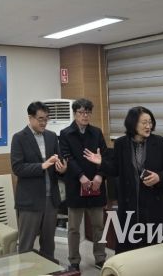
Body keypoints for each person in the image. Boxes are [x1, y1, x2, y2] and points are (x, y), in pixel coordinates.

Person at [84, 106, 163, 253]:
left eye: (150, 122)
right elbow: (115, 170)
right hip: (130, 204)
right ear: (133, 123)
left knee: (155, 249)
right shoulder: (121, 143)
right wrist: (102, 162)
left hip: (155, 204)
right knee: (130, 249)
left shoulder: (158, 142)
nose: (148, 126)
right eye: (144, 122)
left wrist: (159, 177)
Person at [10, 101, 67, 260]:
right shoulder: (19, 138)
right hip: (30, 199)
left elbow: (58, 161)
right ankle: (25, 270)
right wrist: (42, 166)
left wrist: (62, 169)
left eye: (46, 119)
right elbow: (17, 168)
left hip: (51, 198)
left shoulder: (51, 136)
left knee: (48, 243)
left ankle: (49, 269)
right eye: (40, 119)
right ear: (30, 118)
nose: (44, 122)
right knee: (26, 244)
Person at [59, 98, 107, 271]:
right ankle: (74, 261)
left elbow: (105, 156)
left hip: (96, 184)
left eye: (88, 112)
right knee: (73, 228)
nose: (85, 115)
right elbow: (67, 157)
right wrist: (80, 176)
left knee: (98, 226)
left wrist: (100, 176)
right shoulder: (65, 133)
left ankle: (100, 257)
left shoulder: (97, 132)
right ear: (75, 113)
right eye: (81, 112)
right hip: (75, 185)